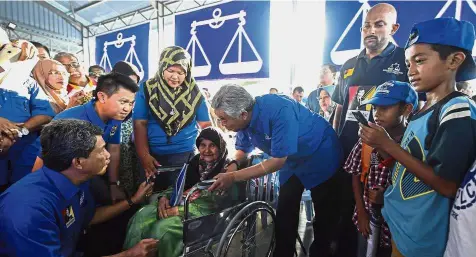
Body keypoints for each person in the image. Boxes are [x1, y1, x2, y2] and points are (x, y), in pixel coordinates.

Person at [359, 18, 476, 257]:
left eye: (420, 60)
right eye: (407, 62)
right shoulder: (421, 110)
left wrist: (388, 144)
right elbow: (411, 162)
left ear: (454, 60)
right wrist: (381, 145)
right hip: (403, 225)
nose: (410, 70)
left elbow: (447, 185)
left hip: (424, 238)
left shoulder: (456, 110)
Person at [209, 84, 343, 257]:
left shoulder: (279, 110)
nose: (222, 124)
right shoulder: (244, 120)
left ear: (242, 114)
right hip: (292, 160)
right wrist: (233, 163)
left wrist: (234, 177)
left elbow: (277, 162)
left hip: (319, 152)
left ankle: (321, 252)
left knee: (324, 217)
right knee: (285, 211)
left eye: (223, 119)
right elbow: (243, 148)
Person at [0, 119, 157, 257]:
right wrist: (129, 255)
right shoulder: (29, 211)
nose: (108, 155)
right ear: (78, 162)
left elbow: (87, 217)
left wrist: (133, 200)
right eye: (102, 150)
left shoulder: (76, 179)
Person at [330, 4, 408, 256]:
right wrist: (335, 142)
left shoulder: (405, 60)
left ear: (394, 28)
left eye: (379, 24)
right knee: (346, 210)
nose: (370, 30)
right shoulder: (348, 65)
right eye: (366, 25)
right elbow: (339, 110)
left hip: (386, 156)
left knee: (382, 217)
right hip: (349, 152)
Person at [124, 127, 239, 257]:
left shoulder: (227, 170)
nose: (207, 150)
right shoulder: (195, 163)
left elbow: (214, 204)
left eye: (212, 145)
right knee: (142, 215)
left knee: (162, 229)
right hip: (180, 202)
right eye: (203, 145)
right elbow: (178, 186)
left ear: (221, 147)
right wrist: (163, 198)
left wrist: (178, 210)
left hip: (205, 214)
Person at [344, 81, 417, 257]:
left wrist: (387, 196)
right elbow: (355, 174)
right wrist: (361, 211)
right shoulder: (368, 138)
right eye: (375, 108)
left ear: (406, 109)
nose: (377, 114)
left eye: (385, 108)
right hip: (367, 220)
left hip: (398, 227)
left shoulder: (413, 142)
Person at [133, 46, 211, 191]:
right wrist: (144, 155)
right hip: (152, 155)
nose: (175, 77)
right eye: (171, 71)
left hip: (184, 155)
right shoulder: (147, 89)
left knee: (177, 198)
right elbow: (140, 123)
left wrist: (208, 154)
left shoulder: (195, 92)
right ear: (162, 67)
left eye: (181, 72)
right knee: (150, 195)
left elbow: (206, 125)